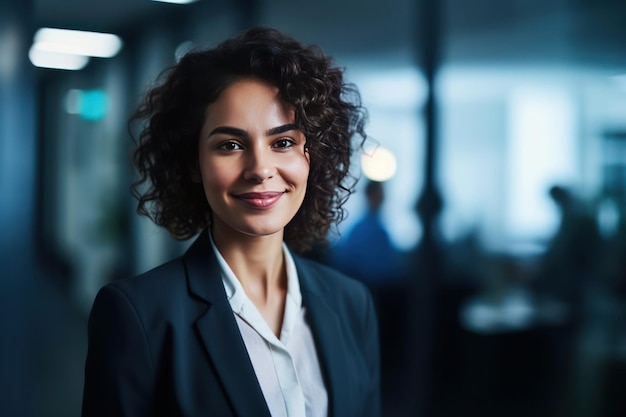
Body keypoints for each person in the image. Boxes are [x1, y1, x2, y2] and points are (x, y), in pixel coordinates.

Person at [81, 27, 380, 417]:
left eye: (283, 142)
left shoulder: (351, 303)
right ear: (193, 163)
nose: (260, 169)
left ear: (312, 155)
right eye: (230, 145)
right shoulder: (138, 315)